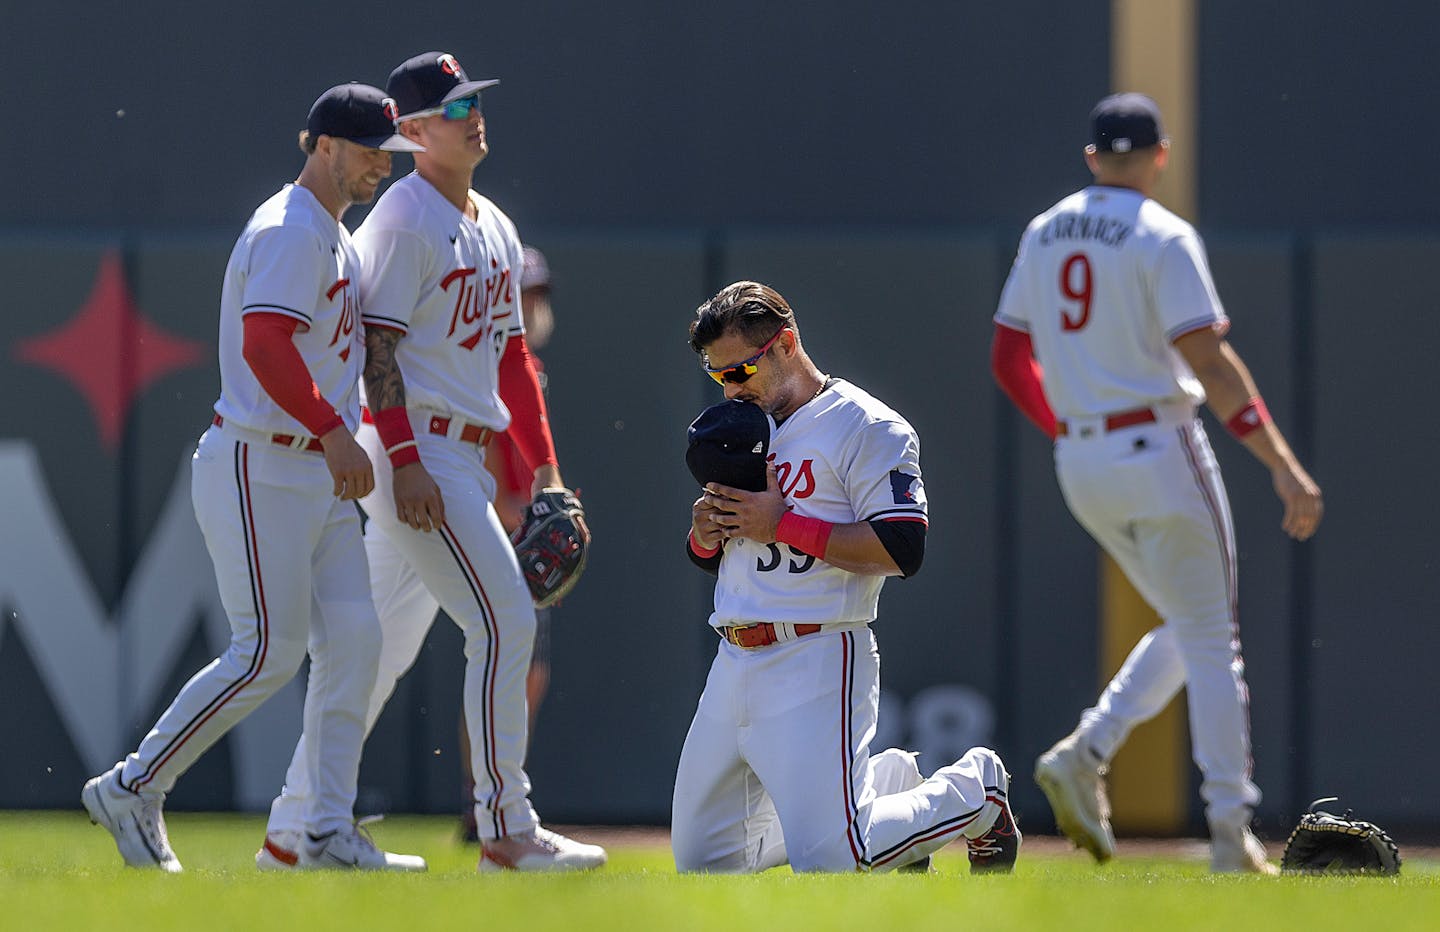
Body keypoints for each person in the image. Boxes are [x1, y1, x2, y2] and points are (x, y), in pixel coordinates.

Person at [257, 52, 606, 873]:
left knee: (374, 653)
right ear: (409, 133)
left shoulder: (493, 221)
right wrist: (406, 461)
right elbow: (375, 349)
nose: (472, 116)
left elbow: (514, 361)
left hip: (457, 453)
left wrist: (547, 472)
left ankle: (292, 831)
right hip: (412, 454)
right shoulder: (406, 218)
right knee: (505, 620)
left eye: (472, 102)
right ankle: (505, 830)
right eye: (451, 109)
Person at [82, 84, 426, 872]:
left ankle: (325, 830)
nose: (382, 165)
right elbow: (267, 346)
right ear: (324, 145)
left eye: (388, 152)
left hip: (315, 471)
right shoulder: (287, 229)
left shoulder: (331, 232)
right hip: (259, 460)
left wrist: (337, 440)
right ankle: (135, 784)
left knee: (356, 642)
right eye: (372, 149)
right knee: (267, 650)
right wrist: (337, 431)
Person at [990, 93, 1323, 874]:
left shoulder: (1044, 229)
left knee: (1190, 622)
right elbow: (1209, 361)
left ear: (1091, 157)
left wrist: (1074, 425)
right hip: (1158, 444)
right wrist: (1282, 463)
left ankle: (1086, 751)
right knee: (1213, 640)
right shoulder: (1163, 234)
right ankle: (1229, 831)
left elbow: (1009, 360)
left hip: (1082, 461)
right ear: (1160, 156)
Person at [672, 281, 1020, 874]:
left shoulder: (866, 426)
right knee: (706, 867)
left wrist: (780, 524)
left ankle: (976, 790)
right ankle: (881, 796)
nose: (731, 387)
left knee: (836, 858)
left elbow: (901, 547)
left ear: (785, 344)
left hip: (817, 649)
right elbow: (725, 553)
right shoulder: (743, 425)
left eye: (741, 370)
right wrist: (707, 534)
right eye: (718, 376)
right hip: (733, 655)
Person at [459, 245, 557, 843]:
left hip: (525, 525)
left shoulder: (530, 364)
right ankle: (483, 800)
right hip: (497, 524)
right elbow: (488, 457)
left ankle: (497, 791)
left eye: (538, 294)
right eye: (524, 294)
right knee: (500, 658)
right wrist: (518, 514)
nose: (532, 305)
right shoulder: (489, 360)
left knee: (528, 671)